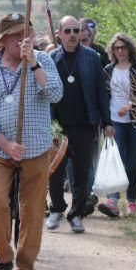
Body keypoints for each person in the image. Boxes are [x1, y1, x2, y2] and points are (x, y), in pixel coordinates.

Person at [0, 13, 63, 270]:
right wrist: (6, 144)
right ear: (3, 40)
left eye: (27, 35)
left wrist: (34, 63)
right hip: (0, 150)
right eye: (15, 35)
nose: (22, 40)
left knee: (32, 213)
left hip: (35, 150)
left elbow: (56, 94)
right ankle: (3, 258)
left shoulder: (43, 61)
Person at [46, 16, 113, 234]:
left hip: (85, 125)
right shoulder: (50, 58)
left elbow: (102, 93)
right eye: (68, 31)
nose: (73, 34)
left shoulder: (93, 58)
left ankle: (76, 214)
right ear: (59, 34)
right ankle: (56, 208)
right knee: (54, 171)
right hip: (57, 126)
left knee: (81, 173)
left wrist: (107, 121)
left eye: (76, 30)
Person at [99, 33, 136, 218]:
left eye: (123, 47)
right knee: (116, 159)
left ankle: (131, 201)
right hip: (115, 122)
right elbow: (103, 97)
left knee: (132, 162)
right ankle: (112, 200)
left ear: (130, 48)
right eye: (116, 48)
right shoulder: (107, 70)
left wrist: (131, 105)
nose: (120, 50)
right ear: (112, 50)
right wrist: (105, 122)